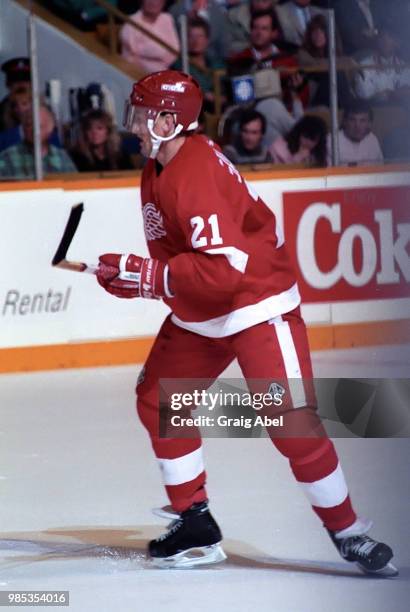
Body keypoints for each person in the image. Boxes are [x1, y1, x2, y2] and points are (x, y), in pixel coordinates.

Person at [95, 69, 397, 575]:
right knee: (158, 400)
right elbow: (183, 262)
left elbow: (225, 270)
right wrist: (139, 275)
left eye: (144, 115)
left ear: (171, 120)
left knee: (292, 423)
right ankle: (195, 521)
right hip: (204, 307)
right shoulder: (159, 164)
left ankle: (348, 532)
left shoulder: (195, 171)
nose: (135, 125)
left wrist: (150, 277)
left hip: (256, 303)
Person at [0, 104, 76, 179]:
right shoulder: (7, 157)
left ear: (50, 128)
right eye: (29, 125)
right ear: (23, 128)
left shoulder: (62, 157)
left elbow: (75, 186)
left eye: (39, 126)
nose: (34, 130)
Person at [171, 16, 226, 114]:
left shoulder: (217, 64)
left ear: (207, 40)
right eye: (191, 36)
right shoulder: (178, 66)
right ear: (185, 40)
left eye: (200, 36)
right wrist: (206, 95)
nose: (195, 41)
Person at [298, 14, 353, 109]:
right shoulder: (302, 53)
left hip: (335, 98)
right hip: (314, 96)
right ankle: (348, 109)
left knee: (338, 74)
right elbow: (316, 65)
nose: (318, 35)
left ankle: (348, 109)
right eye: (314, 31)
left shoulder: (335, 53)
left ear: (329, 34)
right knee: (335, 73)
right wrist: (348, 60)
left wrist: (347, 61)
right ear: (309, 35)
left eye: (322, 31)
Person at [354, 21, 410, 106]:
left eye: (390, 37)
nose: (385, 41)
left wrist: (388, 94)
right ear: (377, 41)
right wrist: (392, 94)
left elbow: (407, 91)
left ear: (398, 43)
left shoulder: (403, 66)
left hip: (398, 111)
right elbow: (364, 94)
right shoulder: (364, 64)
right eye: (382, 37)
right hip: (374, 111)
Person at [119, 0, 180, 74]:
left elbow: (175, 48)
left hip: (164, 71)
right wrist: (161, 52)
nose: (153, 2)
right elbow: (134, 53)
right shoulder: (132, 22)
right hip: (134, 73)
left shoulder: (167, 18)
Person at [326, 101, 384, 166]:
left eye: (362, 121)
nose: (357, 126)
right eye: (352, 120)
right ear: (344, 122)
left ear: (369, 124)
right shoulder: (331, 140)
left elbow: (380, 168)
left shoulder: (372, 139)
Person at [0, 57, 31, 132]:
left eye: (25, 79)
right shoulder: (1, 111)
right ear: (8, 84)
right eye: (16, 80)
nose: (21, 84)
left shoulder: (44, 109)